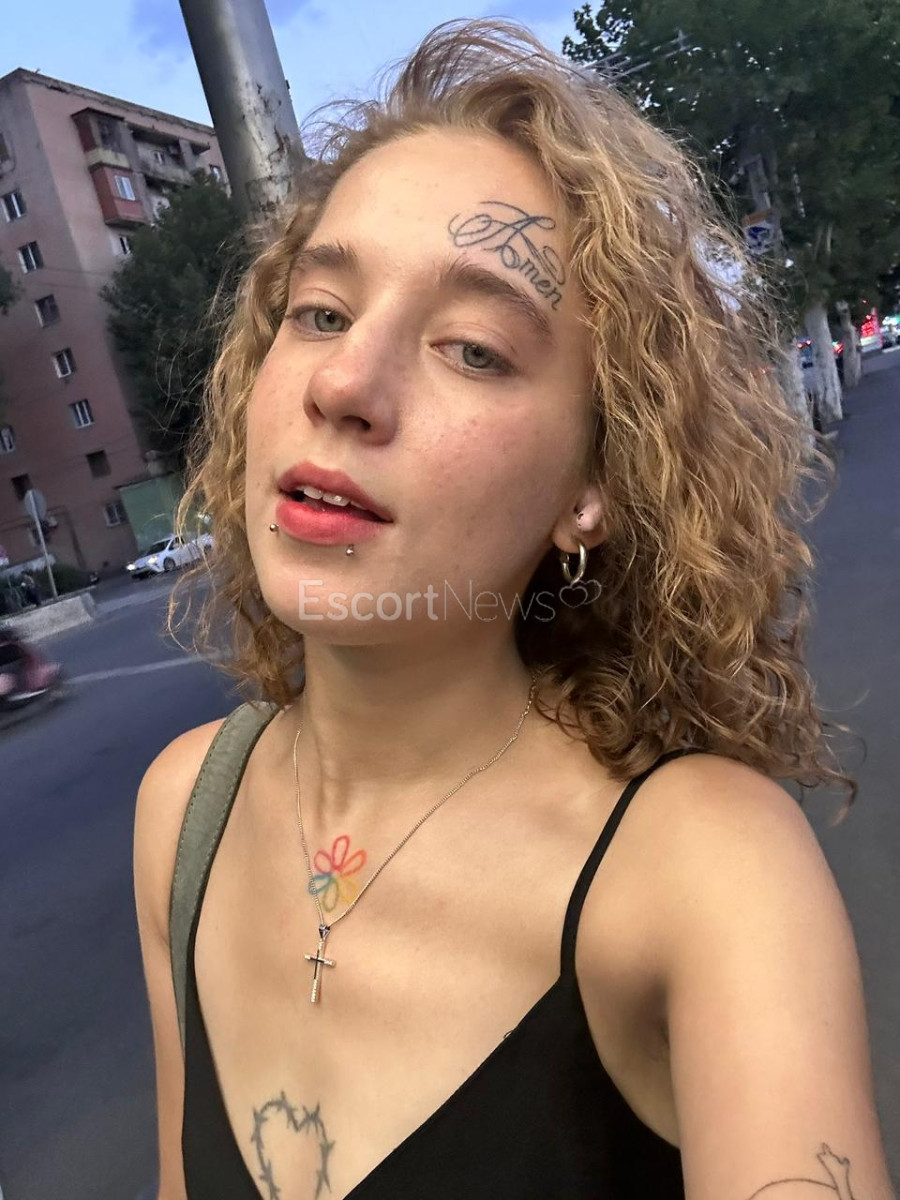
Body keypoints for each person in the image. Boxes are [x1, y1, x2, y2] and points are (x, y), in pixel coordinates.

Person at [134, 19, 895, 1200]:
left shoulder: (703, 875)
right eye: (322, 312)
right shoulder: (184, 813)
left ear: (591, 487)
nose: (344, 382)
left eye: (474, 349)